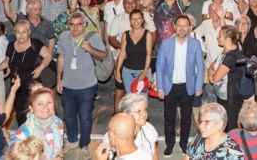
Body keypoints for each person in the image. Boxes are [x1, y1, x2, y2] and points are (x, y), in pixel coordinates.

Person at [56, 12, 106, 152]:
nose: (75, 28)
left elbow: (103, 55)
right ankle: (72, 140)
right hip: (68, 85)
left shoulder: (93, 37)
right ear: (68, 25)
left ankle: (84, 144)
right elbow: (61, 58)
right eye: (72, 24)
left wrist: (90, 48)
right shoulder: (64, 37)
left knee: (85, 117)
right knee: (69, 116)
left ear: (84, 25)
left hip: (87, 86)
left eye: (79, 24)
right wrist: (59, 79)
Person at [156, 14, 204, 156]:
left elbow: (200, 67)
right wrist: (159, 87)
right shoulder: (166, 44)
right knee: (169, 118)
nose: (182, 28)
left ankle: (184, 144)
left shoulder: (195, 44)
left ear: (190, 28)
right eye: (179, 25)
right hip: (169, 86)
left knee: (186, 118)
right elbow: (160, 67)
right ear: (174, 27)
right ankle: (169, 144)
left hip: (187, 87)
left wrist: (198, 86)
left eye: (185, 25)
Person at [9, 19, 52, 125]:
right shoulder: (11, 45)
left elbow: (48, 56)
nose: (21, 35)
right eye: (18, 32)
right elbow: (7, 62)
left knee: (35, 113)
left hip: (32, 85)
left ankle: (38, 138)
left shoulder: (35, 44)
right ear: (15, 33)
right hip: (17, 86)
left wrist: (40, 67)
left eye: (24, 32)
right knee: (20, 114)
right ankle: (25, 138)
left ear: (29, 32)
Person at [10, 88, 65, 160]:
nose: (45, 106)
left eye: (49, 102)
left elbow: (60, 143)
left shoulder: (58, 122)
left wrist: (59, 156)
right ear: (31, 108)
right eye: (40, 104)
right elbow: (14, 153)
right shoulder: (25, 131)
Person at [114, 9, 154, 97]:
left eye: (138, 18)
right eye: (133, 19)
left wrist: (145, 72)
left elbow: (148, 55)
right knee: (130, 99)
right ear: (130, 21)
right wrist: (117, 71)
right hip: (127, 71)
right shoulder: (126, 34)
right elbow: (122, 53)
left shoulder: (148, 34)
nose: (136, 21)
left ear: (142, 20)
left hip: (142, 71)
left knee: (141, 100)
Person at [114, 93, 160, 159]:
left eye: (145, 109)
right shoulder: (115, 133)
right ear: (127, 114)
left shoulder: (149, 129)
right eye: (139, 111)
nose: (144, 114)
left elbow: (155, 154)